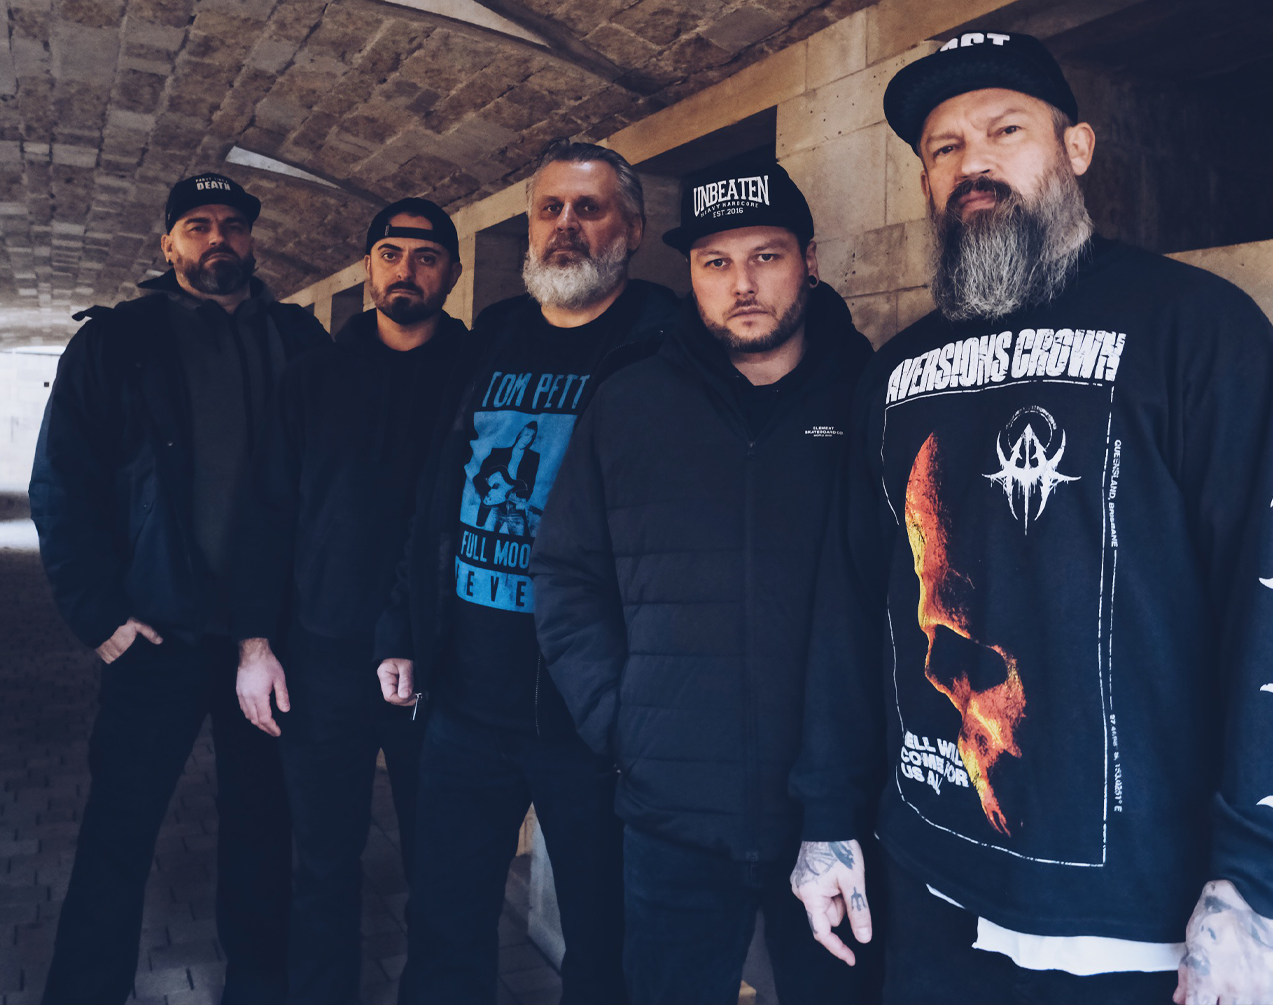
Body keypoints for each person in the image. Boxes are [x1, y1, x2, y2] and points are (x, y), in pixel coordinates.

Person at [788, 32, 1273, 1005]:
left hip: (1137, 918)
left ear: (1077, 148)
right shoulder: (894, 374)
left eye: (1006, 130)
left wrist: (1259, 878)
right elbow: (854, 610)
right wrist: (827, 816)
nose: (974, 162)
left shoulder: (1195, 329)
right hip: (932, 888)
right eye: (944, 146)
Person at [531, 162, 873, 1005]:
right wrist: (623, 721)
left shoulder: (871, 400)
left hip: (836, 811)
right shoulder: (629, 401)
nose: (741, 284)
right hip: (670, 814)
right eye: (716, 262)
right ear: (690, 273)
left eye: (766, 256)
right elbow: (567, 570)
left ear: (811, 261)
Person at [375, 140, 684, 1005]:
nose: (566, 226)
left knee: (603, 944)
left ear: (633, 227)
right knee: (443, 927)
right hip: (466, 705)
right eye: (551, 209)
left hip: (594, 716)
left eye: (589, 208)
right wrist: (402, 625)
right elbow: (437, 496)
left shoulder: (667, 343)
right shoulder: (497, 334)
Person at [31, 172, 328, 1004]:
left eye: (232, 224)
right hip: (155, 634)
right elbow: (62, 481)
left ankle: (259, 987)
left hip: (265, 639)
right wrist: (100, 615)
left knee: (262, 827)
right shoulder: (117, 341)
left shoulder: (298, 339)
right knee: (119, 829)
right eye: (197, 225)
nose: (217, 237)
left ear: (252, 241)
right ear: (168, 245)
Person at [231, 198, 477, 1004]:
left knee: (441, 868)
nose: (408, 270)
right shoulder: (314, 377)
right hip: (322, 658)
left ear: (452, 272)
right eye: (391, 254)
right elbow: (267, 512)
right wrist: (254, 645)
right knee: (324, 863)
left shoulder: (479, 375)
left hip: (440, 663)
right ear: (369, 267)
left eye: (427, 256)